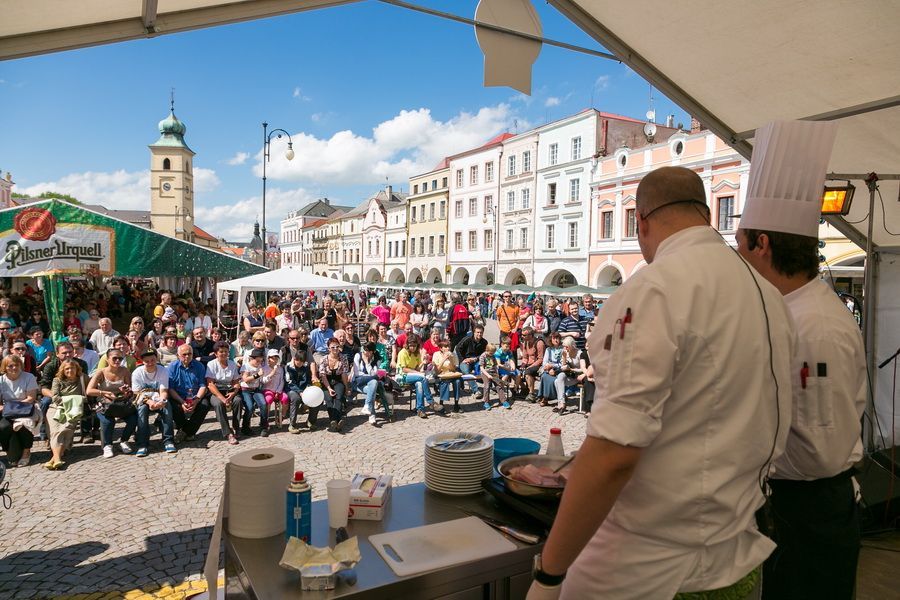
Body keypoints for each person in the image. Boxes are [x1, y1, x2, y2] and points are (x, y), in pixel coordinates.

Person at [528, 166, 795, 599]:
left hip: (655, 569)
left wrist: (549, 574)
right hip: (739, 554)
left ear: (642, 223)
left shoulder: (653, 288)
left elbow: (616, 453)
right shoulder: (766, 292)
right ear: (705, 214)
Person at [733, 120, 864, 600]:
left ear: (762, 245)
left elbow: (819, 450)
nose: (738, 253)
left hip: (811, 510)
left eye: (740, 243)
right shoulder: (790, 309)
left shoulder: (813, 326)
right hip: (791, 504)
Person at [86, 348, 137, 459]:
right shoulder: (101, 372)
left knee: (133, 419)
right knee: (107, 422)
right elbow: (89, 390)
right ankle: (107, 445)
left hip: (120, 403)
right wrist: (105, 392)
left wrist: (126, 391)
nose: (117, 361)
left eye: (120, 358)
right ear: (107, 359)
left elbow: (130, 390)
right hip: (105, 404)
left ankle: (124, 441)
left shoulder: (125, 371)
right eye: (114, 358)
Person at [132, 349, 176, 456]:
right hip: (143, 399)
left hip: (158, 397)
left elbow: (163, 390)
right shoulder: (137, 373)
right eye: (147, 361)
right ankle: (143, 444)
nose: (150, 363)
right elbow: (137, 392)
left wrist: (162, 401)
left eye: (153, 360)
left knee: (167, 408)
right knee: (142, 412)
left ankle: (168, 440)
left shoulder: (162, 370)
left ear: (156, 359)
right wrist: (150, 402)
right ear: (142, 361)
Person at [45, 358, 87, 469]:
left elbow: (88, 394)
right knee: (56, 432)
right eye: (67, 368)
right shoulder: (57, 380)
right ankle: (57, 458)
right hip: (56, 408)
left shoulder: (82, 379)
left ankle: (54, 459)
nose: (70, 370)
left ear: (77, 369)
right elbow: (55, 398)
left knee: (66, 430)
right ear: (63, 370)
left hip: (74, 410)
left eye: (72, 368)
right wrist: (74, 399)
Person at [0, 354, 40, 466]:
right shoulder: (1, 380)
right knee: (3, 427)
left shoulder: (29, 377)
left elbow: (31, 398)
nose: (14, 368)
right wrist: (7, 408)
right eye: (10, 366)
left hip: (25, 409)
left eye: (16, 365)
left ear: (20, 365)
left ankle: (26, 451)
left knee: (25, 424)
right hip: (7, 411)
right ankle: (8, 450)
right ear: (5, 367)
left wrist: (12, 406)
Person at [167, 344, 209, 442]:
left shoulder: (199, 366)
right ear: (178, 355)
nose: (187, 356)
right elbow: (171, 389)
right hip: (178, 397)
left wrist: (197, 400)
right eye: (184, 354)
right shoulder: (172, 367)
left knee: (205, 405)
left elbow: (203, 385)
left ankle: (185, 431)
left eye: (189, 354)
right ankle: (188, 431)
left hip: (195, 396)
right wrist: (182, 402)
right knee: (173, 406)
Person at [205, 341, 241, 445]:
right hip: (216, 392)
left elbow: (235, 382)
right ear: (216, 353)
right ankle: (228, 433)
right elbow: (210, 384)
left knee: (238, 401)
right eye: (221, 352)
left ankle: (237, 427)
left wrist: (233, 393)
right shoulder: (211, 364)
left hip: (229, 390)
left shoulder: (232, 364)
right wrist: (223, 399)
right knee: (218, 404)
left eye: (226, 351)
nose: (224, 354)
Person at [312, 337, 350, 432]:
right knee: (328, 399)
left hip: (338, 380)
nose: (335, 349)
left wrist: (346, 387)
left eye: (337, 347)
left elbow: (344, 374)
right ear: (328, 348)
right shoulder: (324, 359)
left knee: (338, 396)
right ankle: (336, 419)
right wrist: (329, 388)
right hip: (326, 381)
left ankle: (335, 421)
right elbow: (323, 375)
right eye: (333, 347)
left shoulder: (343, 358)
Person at [396, 334, 435, 418]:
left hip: (413, 376)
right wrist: (418, 373)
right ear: (407, 345)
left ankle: (420, 409)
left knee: (420, 384)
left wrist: (423, 363)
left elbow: (417, 368)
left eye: (414, 346)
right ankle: (430, 401)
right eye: (411, 346)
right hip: (402, 377)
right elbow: (404, 369)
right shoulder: (403, 352)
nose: (412, 348)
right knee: (423, 378)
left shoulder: (417, 354)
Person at [352, 342, 384, 425]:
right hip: (358, 384)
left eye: (367, 350)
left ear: (372, 352)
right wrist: (370, 376)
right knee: (373, 382)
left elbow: (375, 373)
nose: (364, 352)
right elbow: (357, 373)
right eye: (364, 349)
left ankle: (367, 407)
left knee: (373, 384)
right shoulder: (358, 356)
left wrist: (367, 363)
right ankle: (371, 414)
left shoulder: (376, 359)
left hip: (370, 385)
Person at [239, 348, 269, 437]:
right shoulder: (246, 366)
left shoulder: (259, 367)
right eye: (257, 361)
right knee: (250, 407)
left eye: (260, 361)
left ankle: (264, 426)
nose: (259, 363)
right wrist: (257, 375)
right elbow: (245, 379)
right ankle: (245, 427)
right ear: (251, 359)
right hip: (245, 390)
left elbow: (261, 379)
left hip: (256, 389)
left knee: (263, 404)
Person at [285, 348, 312, 433]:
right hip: (291, 389)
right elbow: (289, 382)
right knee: (296, 399)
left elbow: (308, 380)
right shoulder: (288, 367)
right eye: (297, 360)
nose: (299, 363)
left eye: (301, 361)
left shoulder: (306, 367)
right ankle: (292, 424)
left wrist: (308, 388)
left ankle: (311, 421)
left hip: (303, 389)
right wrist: (300, 392)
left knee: (315, 399)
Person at [456, 325, 487, 398]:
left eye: (481, 333)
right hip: (465, 360)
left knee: (486, 369)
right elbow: (457, 348)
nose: (479, 334)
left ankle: (488, 387)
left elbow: (485, 354)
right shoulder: (467, 339)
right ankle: (476, 390)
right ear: (474, 332)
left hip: (477, 361)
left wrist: (475, 359)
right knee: (466, 372)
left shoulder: (484, 342)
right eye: (477, 332)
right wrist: (462, 359)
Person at [433, 338, 462, 412]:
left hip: (451, 374)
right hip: (441, 374)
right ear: (441, 348)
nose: (448, 348)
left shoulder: (453, 355)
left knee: (458, 381)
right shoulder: (436, 354)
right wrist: (443, 359)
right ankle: (442, 404)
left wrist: (451, 359)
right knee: (444, 382)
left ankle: (456, 404)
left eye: (449, 346)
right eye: (445, 347)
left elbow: (454, 369)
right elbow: (437, 371)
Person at [262, 349, 288, 430]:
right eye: (273, 358)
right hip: (268, 389)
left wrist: (278, 391)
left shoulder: (280, 369)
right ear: (268, 358)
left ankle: (282, 416)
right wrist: (273, 372)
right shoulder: (264, 368)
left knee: (285, 398)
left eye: (276, 358)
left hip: (278, 390)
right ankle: (266, 419)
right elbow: (263, 381)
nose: (275, 360)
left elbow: (281, 381)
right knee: (268, 400)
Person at [517, 327, 545, 403]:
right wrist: (523, 365)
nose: (522, 336)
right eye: (522, 335)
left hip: (538, 365)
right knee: (515, 371)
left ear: (530, 335)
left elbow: (540, 359)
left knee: (527, 372)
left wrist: (529, 367)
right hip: (529, 364)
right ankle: (524, 388)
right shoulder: (525, 342)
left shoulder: (539, 343)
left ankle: (531, 393)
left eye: (524, 335)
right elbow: (525, 357)